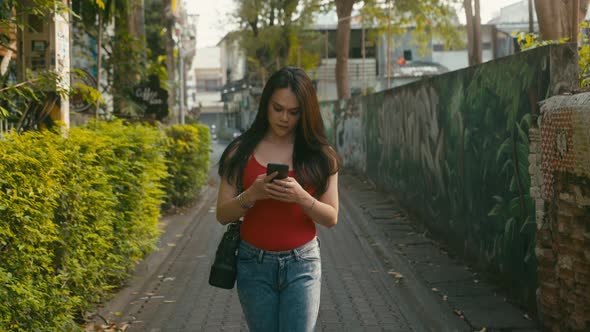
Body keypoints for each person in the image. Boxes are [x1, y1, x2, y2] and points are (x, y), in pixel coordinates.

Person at [216, 66, 340, 332]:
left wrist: (301, 197)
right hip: (252, 264)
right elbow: (222, 214)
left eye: (294, 112)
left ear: (305, 112)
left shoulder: (321, 155)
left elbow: (331, 217)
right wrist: (251, 195)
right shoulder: (240, 152)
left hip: (302, 263)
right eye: (277, 108)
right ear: (265, 105)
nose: (284, 118)